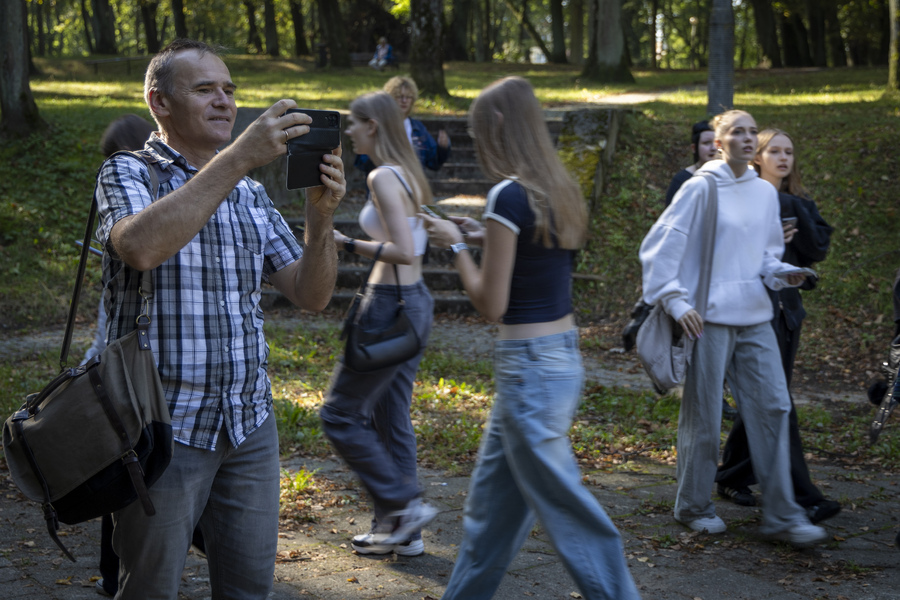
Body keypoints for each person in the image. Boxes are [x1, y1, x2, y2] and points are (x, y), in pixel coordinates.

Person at [93, 39, 345, 598]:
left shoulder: (251, 194)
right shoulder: (129, 171)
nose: (224, 102)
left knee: (249, 589)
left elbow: (310, 294)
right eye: (204, 89)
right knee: (150, 589)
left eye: (229, 90)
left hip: (248, 422)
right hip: (160, 427)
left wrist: (320, 218)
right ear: (159, 102)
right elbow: (139, 247)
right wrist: (237, 159)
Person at [422, 76, 641, 600]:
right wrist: (482, 234)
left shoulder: (507, 194)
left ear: (498, 124)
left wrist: (455, 247)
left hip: (528, 370)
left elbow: (491, 304)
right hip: (558, 361)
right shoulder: (555, 187)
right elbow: (533, 260)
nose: (478, 142)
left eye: (478, 132)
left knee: (569, 511)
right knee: (490, 518)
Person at [639, 109, 828, 545]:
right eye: (736, 132)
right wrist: (675, 299)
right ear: (719, 142)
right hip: (708, 320)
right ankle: (692, 506)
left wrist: (785, 272)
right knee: (703, 417)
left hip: (756, 316)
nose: (746, 138)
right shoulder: (701, 188)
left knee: (774, 407)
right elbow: (659, 247)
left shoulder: (764, 193)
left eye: (750, 131)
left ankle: (782, 514)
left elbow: (763, 257)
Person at [320, 91, 437, 556]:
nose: (348, 132)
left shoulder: (383, 176)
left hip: (390, 305)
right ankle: (403, 530)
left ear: (374, 126)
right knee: (392, 418)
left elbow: (405, 249)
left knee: (339, 414)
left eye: (355, 123)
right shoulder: (409, 174)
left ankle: (403, 508)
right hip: (413, 303)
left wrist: (346, 243)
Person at [715, 128, 839, 523]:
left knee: (769, 397)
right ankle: (801, 497)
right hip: (749, 310)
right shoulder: (740, 197)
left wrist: (790, 215)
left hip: (786, 311)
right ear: (758, 157)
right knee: (775, 401)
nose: (784, 158)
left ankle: (732, 473)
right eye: (775, 151)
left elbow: (817, 249)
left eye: (789, 152)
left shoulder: (795, 202)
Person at [355, 76, 450, 176]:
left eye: (408, 97)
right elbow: (361, 163)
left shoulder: (418, 128)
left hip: (412, 188)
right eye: (399, 96)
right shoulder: (376, 126)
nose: (404, 101)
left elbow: (434, 163)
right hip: (382, 187)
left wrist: (443, 148)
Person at [664, 120, 719, 207]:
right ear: (694, 148)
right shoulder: (681, 180)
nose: (713, 148)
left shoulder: (729, 177)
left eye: (717, 143)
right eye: (706, 143)